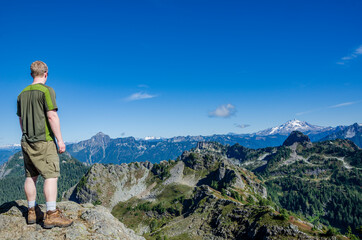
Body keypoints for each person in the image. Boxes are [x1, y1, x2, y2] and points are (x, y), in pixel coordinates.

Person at [17, 60, 73, 229]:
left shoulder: (22, 94)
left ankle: (32, 211)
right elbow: (52, 116)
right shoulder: (47, 91)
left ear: (32, 74)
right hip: (44, 140)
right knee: (51, 176)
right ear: (46, 74)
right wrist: (60, 140)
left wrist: (26, 134)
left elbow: (21, 119)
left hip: (26, 141)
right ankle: (51, 214)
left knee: (30, 176)